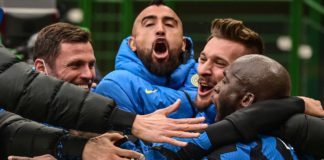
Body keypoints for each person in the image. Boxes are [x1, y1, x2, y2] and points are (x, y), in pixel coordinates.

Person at [0, 22, 208, 159]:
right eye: (75, 65)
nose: (88, 75)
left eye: (91, 65)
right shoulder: (13, 116)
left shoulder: (106, 115)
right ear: (40, 68)